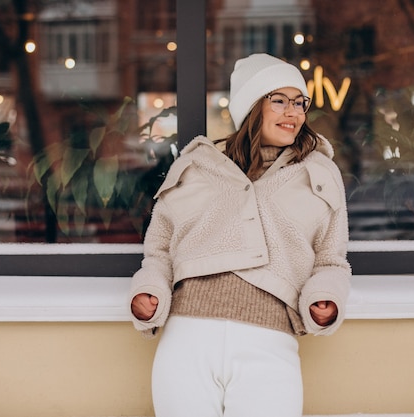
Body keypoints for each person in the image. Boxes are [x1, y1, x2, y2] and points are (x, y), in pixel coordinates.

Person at [129, 53, 351, 417]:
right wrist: (148, 292)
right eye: (278, 100)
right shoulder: (197, 166)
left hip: (269, 342)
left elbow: (331, 260)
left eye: (300, 102)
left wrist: (324, 297)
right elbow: (159, 253)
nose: (293, 112)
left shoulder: (319, 174)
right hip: (186, 340)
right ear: (251, 107)